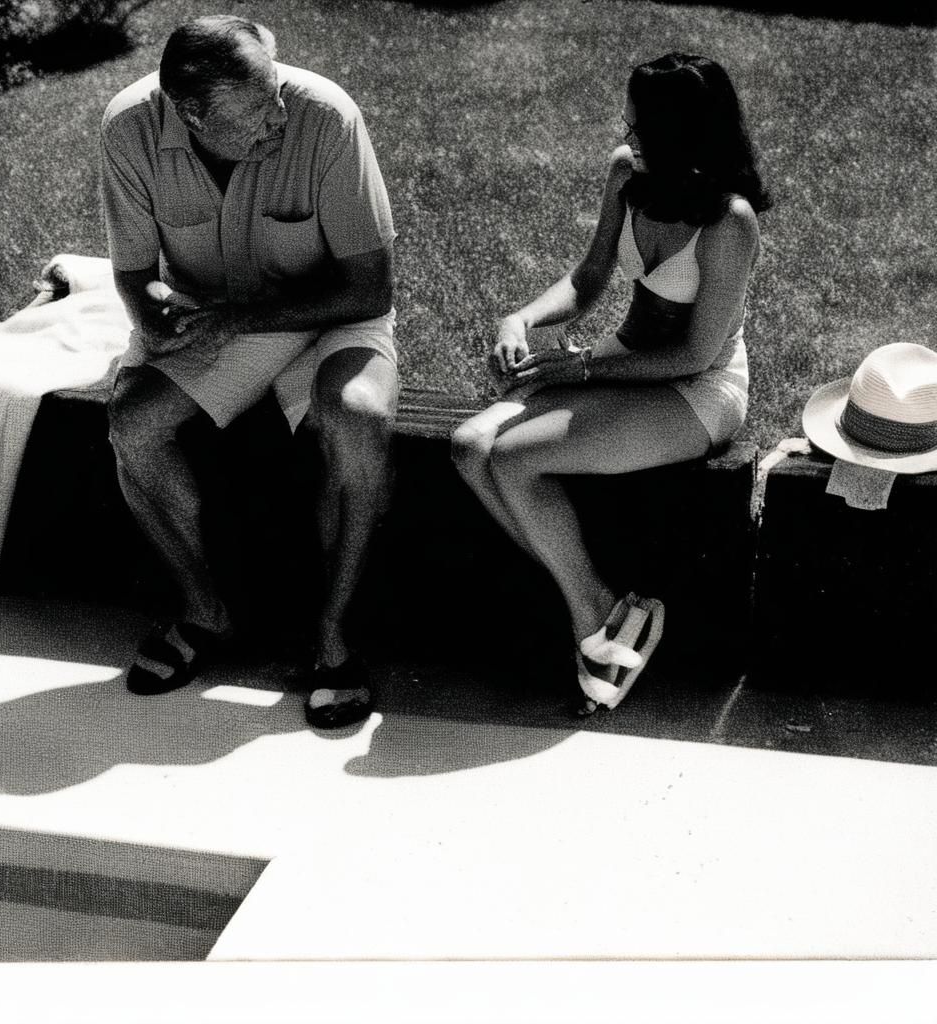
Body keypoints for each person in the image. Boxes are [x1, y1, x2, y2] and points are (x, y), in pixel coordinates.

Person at [99, 15, 398, 728]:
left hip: (328, 311)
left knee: (357, 419)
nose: (281, 114)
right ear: (192, 113)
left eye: (276, 89)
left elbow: (370, 289)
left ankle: (334, 641)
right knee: (132, 425)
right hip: (221, 317)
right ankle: (204, 614)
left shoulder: (327, 115)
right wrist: (156, 316)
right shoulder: (128, 129)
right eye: (260, 108)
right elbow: (135, 274)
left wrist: (237, 321)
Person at [452, 52, 770, 715]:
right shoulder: (627, 173)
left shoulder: (729, 220)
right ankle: (602, 610)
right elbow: (588, 278)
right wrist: (521, 317)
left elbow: (694, 354)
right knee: (467, 445)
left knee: (512, 458)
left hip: (699, 391)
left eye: (642, 126)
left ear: (683, 135)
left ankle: (591, 622)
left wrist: (584, 367)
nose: (628, 136)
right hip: (622, 359)